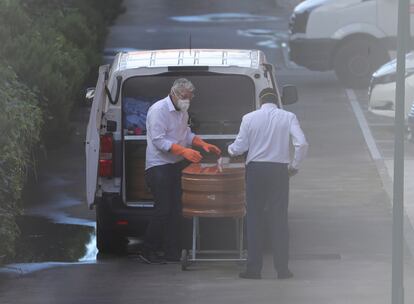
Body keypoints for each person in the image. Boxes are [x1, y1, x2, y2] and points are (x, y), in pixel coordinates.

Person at [228, 88, 308, 279]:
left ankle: (254, 269)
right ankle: (283, 270)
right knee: (279, 218)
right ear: (277, 100)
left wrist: (229, 150)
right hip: (279, 171)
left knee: (254, 218)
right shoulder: (288, 116)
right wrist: (294, 166)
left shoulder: (249, 118)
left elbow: (240, 147)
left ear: (260, 101)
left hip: (255, 171)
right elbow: (302, 143)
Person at [140, 78, 221, 264]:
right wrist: (184, 151)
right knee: (163, 209)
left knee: (176, 210)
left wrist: (202, 144)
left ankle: (172, 251)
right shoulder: (158, 110)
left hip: (175, 165)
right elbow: (159, 141)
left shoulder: (182, 112)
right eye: (184, 97)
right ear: (174, 93)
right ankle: (148, 250)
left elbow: (186, 134)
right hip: (158, 165)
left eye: (190, 98)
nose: (187, 101)